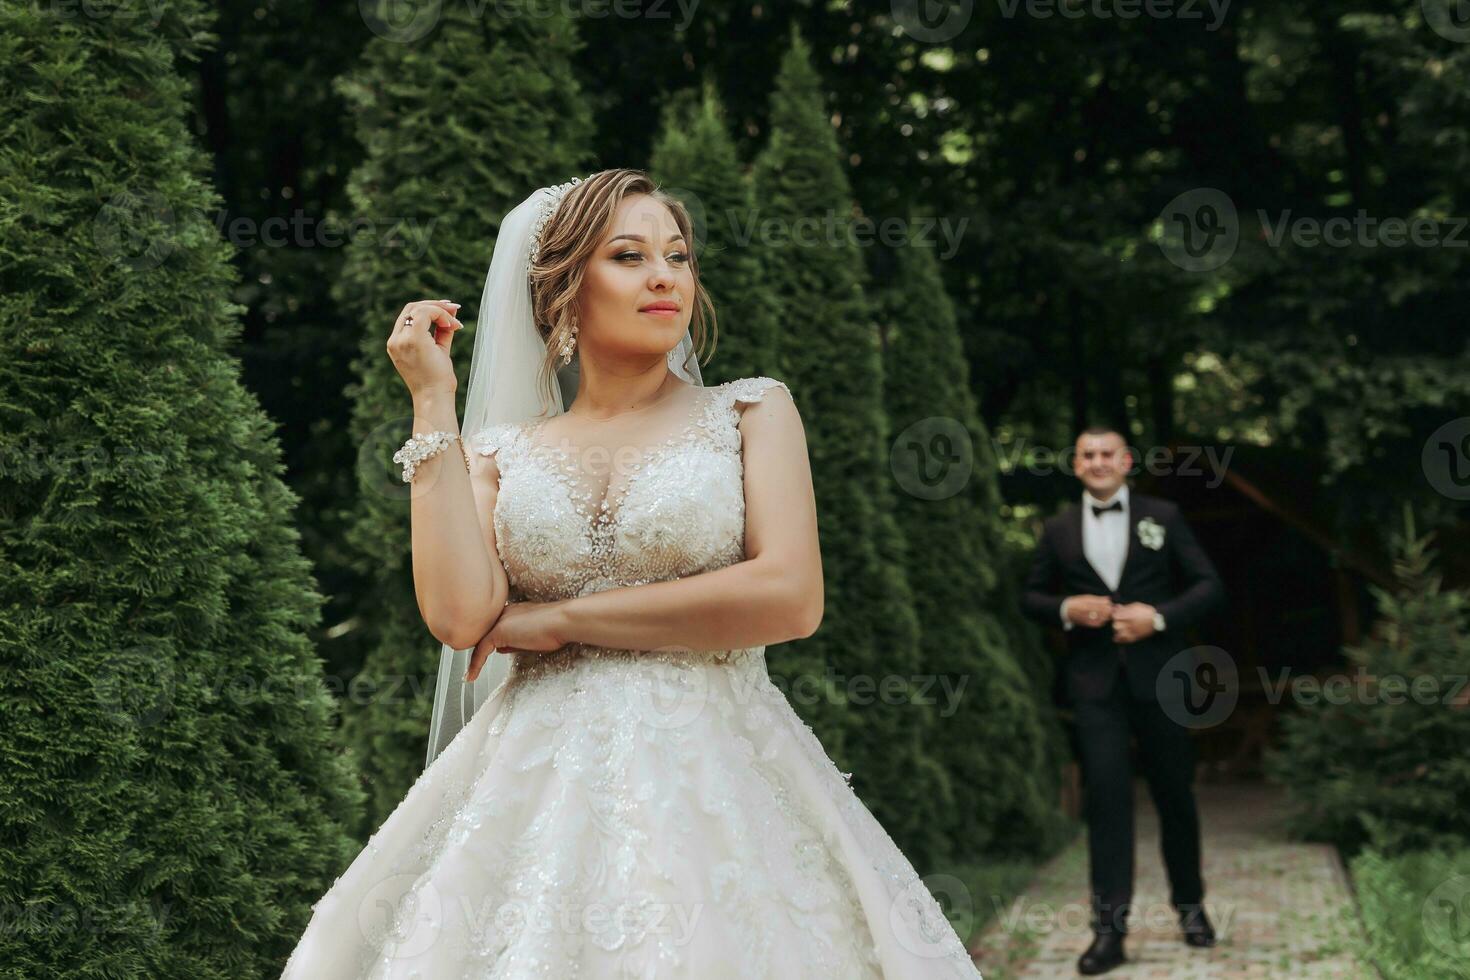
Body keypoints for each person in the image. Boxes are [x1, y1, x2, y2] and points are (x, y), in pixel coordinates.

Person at [280, 169, 983, 978]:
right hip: (532, 793)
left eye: (678, 256)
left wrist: (562, 620)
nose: (664, 276)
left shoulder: (751, 412)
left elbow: (788, 596)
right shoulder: (503, 452)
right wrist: (433, 407)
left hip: (720, 782)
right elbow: (459, 616)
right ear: (561, 290)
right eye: (628, 255)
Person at [1021, 426, 1225, 976]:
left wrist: (1156, 618)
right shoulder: (1059, 529)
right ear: (1076, 464)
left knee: (1174, 796)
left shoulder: (1164, 516)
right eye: (1087, 454)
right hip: (1094, 689)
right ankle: (1108, 934)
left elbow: (1208, 585)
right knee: (1107, 803)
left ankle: (1192, 909)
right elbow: (1030, 596)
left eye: (1106, 453)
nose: (1097, 461)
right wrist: (1069, 608)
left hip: (1160, 679)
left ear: (1126, 461)